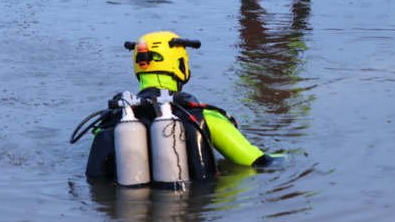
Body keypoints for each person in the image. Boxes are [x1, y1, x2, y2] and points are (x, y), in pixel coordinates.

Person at [75, 31, 276, 187]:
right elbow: (254, 161)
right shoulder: (203, 115)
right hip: (191, 204)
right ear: (181, 65)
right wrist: (291, 156)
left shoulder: (114, 117)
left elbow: (96, 174)